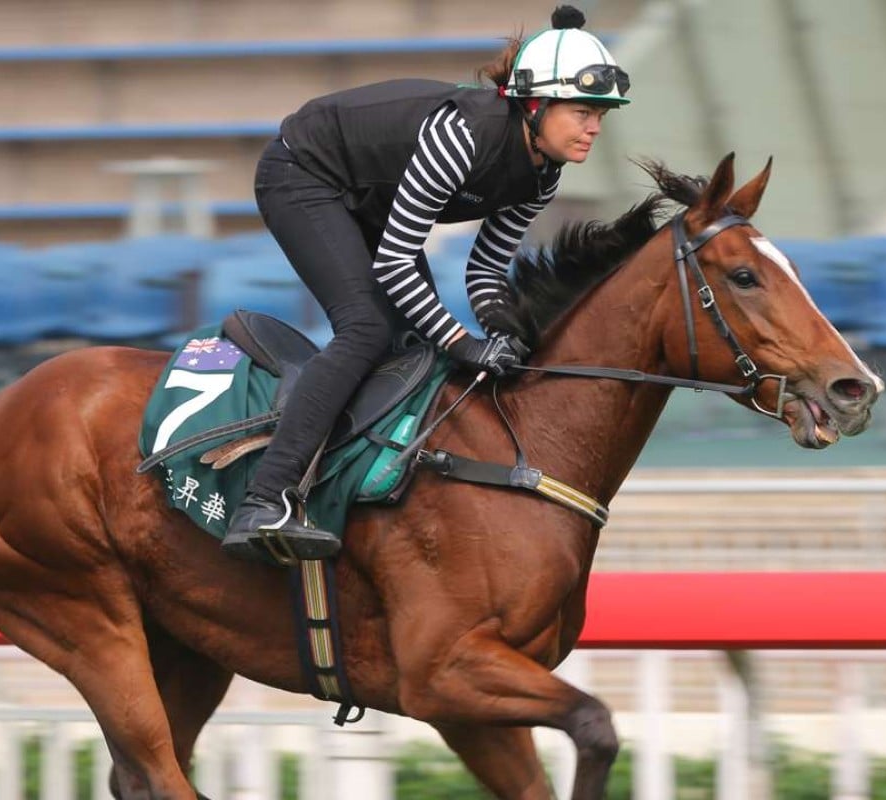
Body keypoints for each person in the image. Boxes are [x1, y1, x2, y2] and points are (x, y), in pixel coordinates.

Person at [221, 5, 631, 562]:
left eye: (600, 114)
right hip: (303, 175)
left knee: (414, 344)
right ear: (534, 105)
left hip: (369, 201)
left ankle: (351, 490)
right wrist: (464, 343)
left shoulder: (544, 175)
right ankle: (265, 499)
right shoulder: (463, 137)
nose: (595, 127)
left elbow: (485, 271)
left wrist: (503, 332)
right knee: (366, 329)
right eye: (583, 111)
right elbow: (395, 263)